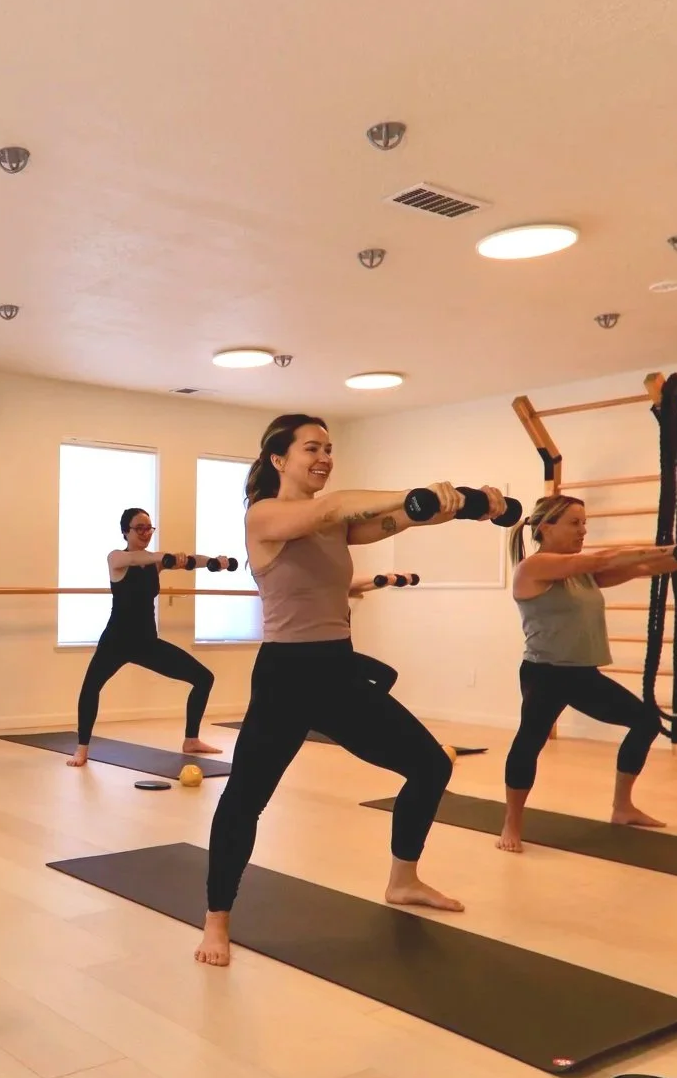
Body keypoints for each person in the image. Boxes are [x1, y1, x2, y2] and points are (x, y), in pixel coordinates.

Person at [197, 414, 500, 966]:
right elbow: (333, 507)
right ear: (278, 460)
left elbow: (388, 521)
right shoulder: (265, 515)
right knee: (245, 800)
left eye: (330, 449)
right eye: (312, 448)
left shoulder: (332, 526)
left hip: (337, 671)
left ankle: (403, 880)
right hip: (286, 677)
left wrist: (463, 504)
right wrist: (414, 492)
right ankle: (216, 921)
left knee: (431, 765)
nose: (325, 457)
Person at [496, 494, 677, 851]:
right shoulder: (534, 567)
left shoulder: (581, 573)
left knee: (645, 721)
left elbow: (640, 568)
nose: (583, 530)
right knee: (530, 742)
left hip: (581, 675)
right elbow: (608, 557)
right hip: (545, 674)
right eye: (575, 523)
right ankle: (511, 825)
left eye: (584, 522)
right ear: (546, 527)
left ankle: (623, 807)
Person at [66, 508, 223, 766]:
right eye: (139, 527)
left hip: (146, 643)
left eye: (149, 528)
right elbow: (139, 559)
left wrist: (215, 562)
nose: (145, 532)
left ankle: (191, 740)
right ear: (125, 531)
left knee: (204, 678)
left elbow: (191, 560)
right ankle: (82, 748)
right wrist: (168, 557)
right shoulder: (116, 558)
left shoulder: (155, 562)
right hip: (115, 642)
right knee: (91, 687)